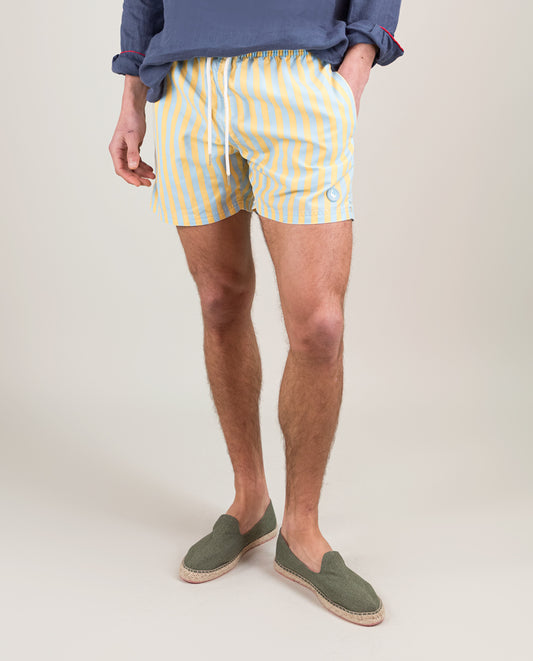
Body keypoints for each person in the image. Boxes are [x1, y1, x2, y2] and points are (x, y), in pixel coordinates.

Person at [109, 0, 404, 626]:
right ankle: (250, 502)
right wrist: (131, 97)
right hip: (190, 85)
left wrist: (353, 75)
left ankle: (302, 530)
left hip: (297, 76)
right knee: (219, 302)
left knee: (319, 326)